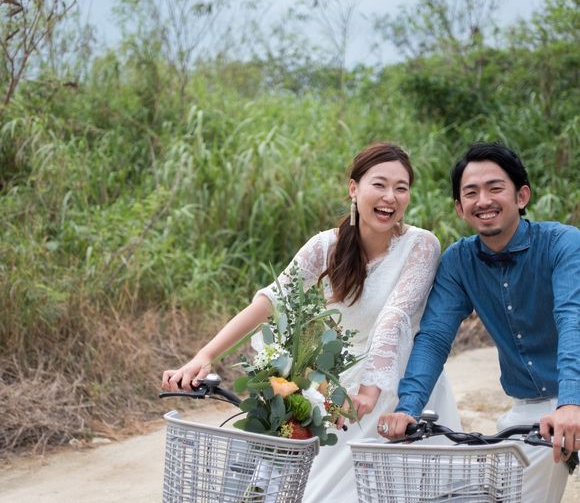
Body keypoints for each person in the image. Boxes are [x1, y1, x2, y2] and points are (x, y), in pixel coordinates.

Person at [162, 141, 460, 503]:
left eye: (402, 187)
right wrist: (205, 355)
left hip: (395, 383)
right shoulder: (325, 246)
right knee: (301, 490)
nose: (390, 197)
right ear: (354, 189)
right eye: (379, 184)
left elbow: (394, 316)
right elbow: (269, 301)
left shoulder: (421, 245)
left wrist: (370, 390)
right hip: (339, 392)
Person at [378, 141, 580, 503]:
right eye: (471, 193)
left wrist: (571, 401)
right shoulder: (459, 262)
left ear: (521, 196)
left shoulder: (563, 244)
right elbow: (435, 337)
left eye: (495, 188)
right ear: (460, 207)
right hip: (531, 408)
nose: (483, 200)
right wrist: (408, 407)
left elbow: (572, 319)